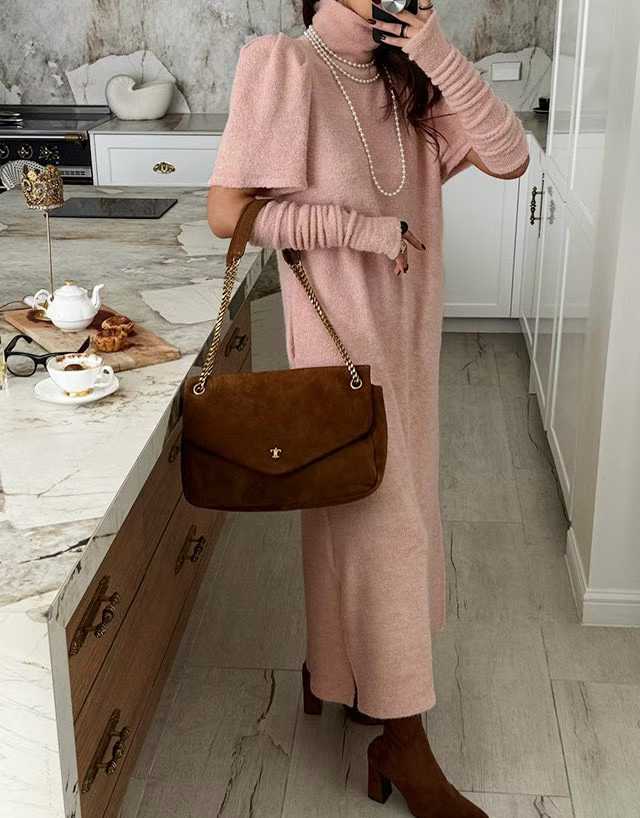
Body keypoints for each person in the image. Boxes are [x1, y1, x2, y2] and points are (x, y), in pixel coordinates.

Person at [207, 0, 529, 815]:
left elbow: (510, 156)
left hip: (411, 337)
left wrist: (438, 54)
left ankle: (336, 674)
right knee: (385, 528)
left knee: (371, 513)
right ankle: (402, 740)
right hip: (338, 336)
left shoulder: (410, 78)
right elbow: (227, 213)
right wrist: (358, 229)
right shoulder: (284, 64)